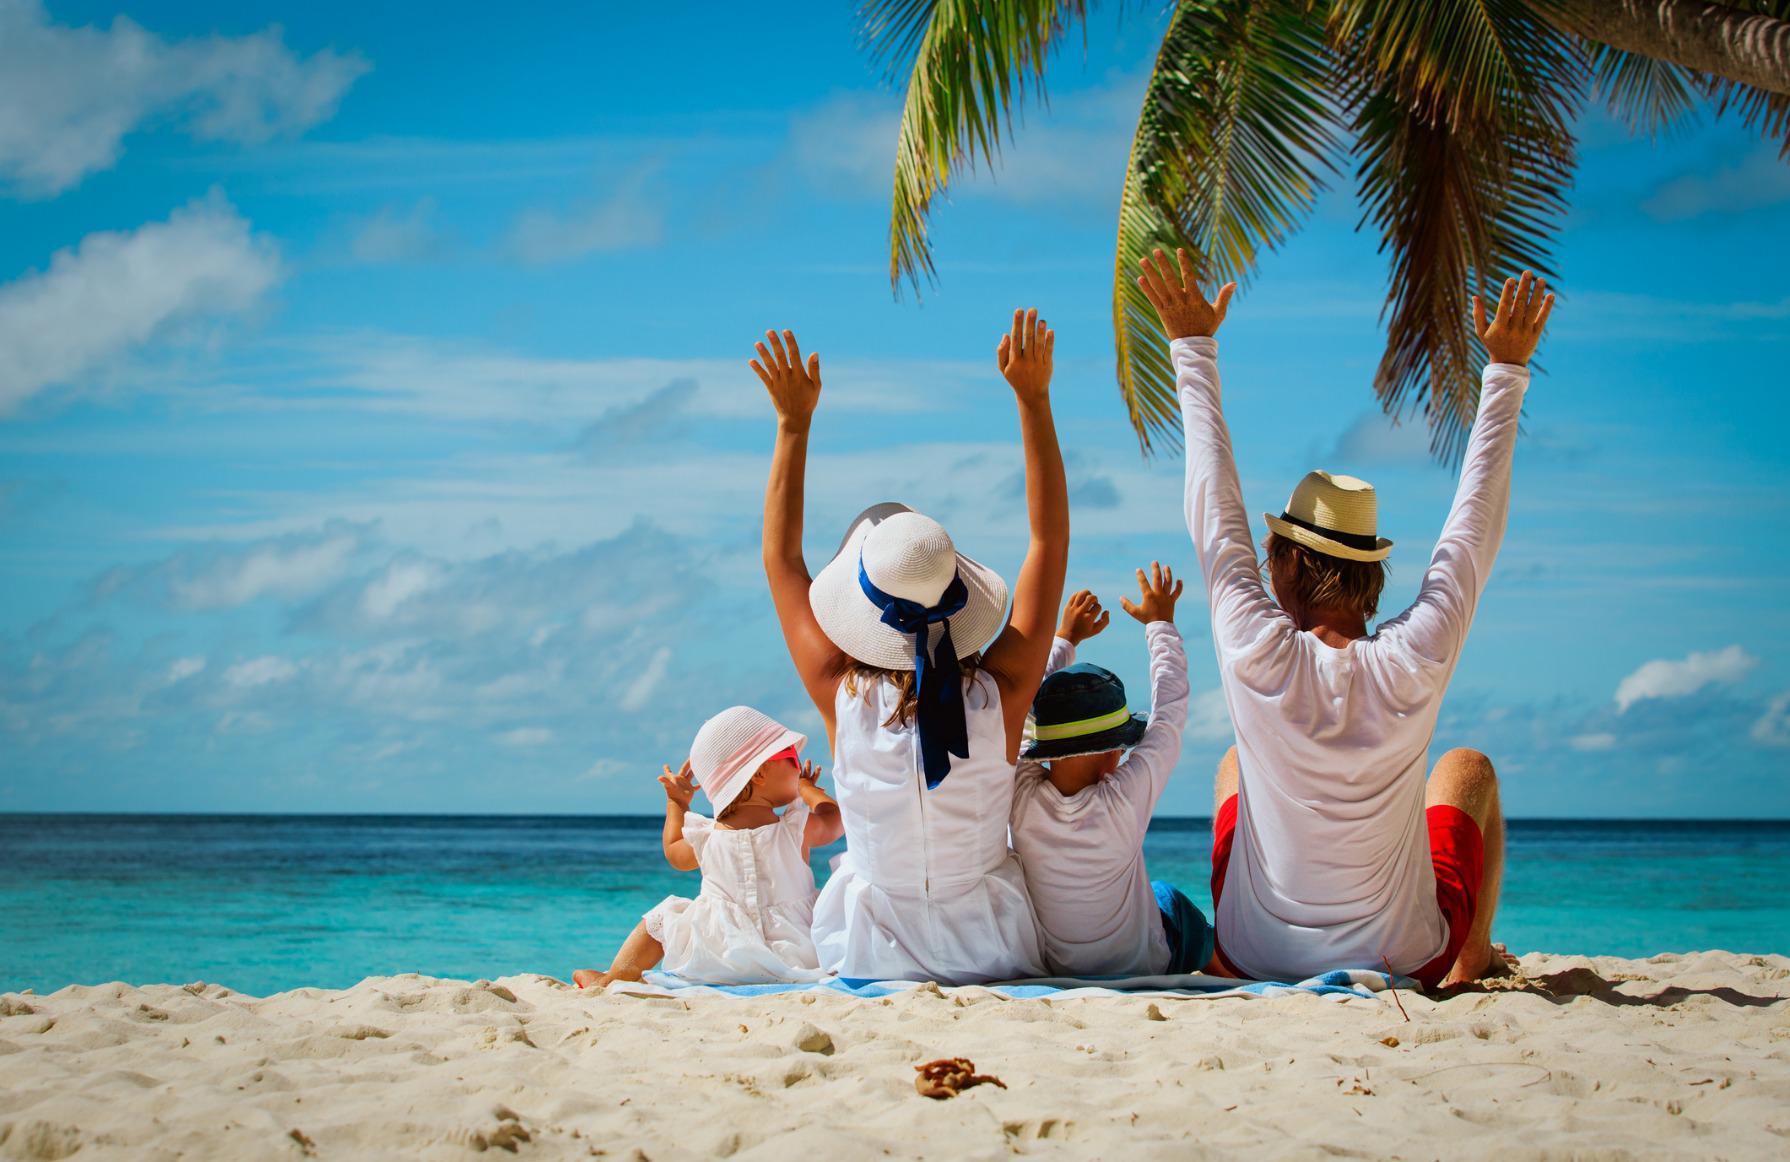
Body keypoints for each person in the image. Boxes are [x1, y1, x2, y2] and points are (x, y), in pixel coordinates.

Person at [1135, 248, 1553, 989]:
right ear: (1372, 574)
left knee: (1235, 763)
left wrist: (1192, 346)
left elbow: (1214, 514)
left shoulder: (1254, 648)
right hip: (1402, 955)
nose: (1262, 566)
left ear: (1287, 562)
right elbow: (1471, 534)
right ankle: (1470, 958)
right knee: (1467, 771)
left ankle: (1284, 941)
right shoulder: (1415, 655)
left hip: (1252, 956)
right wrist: (1506, 374)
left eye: (1271, 555)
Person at [749, 311, 1068, 983]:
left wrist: (793, 424)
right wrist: (1034, 400)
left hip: (870, 946)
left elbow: (781, 559)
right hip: (991, 946)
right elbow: (1049, 542)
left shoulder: (839, 689)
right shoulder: (1002, 694)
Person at [1010, 565, 1212, 977]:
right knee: (1170, 900)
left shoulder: (1020, 794)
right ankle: (1223, 965)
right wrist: (1160, 624)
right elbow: (1170, 715)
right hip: (1143, 964)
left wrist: (1065, 638)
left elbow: (1024, 712)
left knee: (1160, 897)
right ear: (1114, 754)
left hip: (1055, 967)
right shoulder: (1123, 799)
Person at [570, 706, 843, 988]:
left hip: (719, 954)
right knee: (841, 899)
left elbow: (675, 851)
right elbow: (835, 821)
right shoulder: (794, 828)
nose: (799, 767)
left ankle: (614, 977)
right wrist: (811, 791)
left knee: (664, 918)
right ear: (760, 773)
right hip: (796, 953)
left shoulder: (708, 837)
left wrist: (677, 804)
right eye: (792, 758)